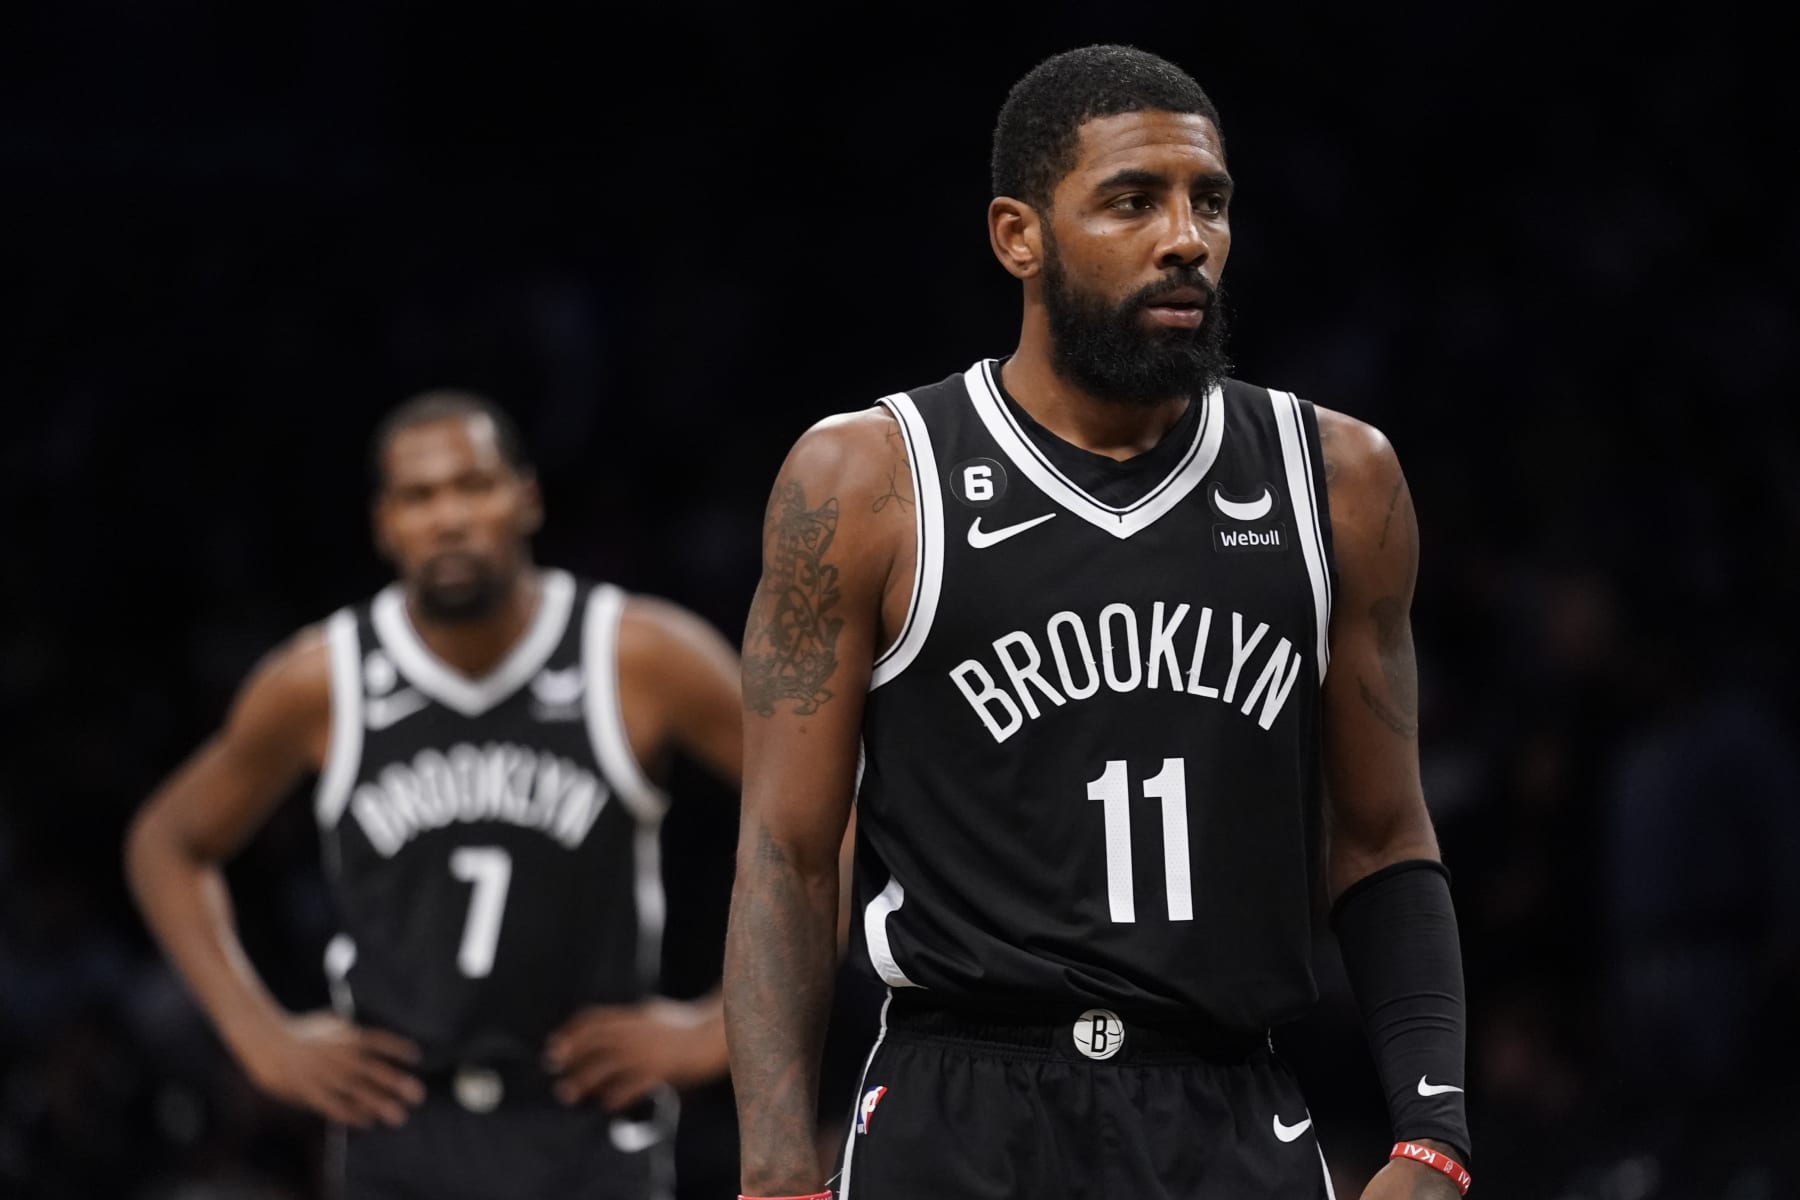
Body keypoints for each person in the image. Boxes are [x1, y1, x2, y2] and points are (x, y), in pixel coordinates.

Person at [723, 44, 1472, 1200]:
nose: (1187, 238)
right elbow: (786, 849)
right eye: (1133, 200)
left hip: (1229, 1104)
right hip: (955, 1102)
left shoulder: (1339, 479)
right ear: (1017, 235)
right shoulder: (866, 478)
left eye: (1209, 201)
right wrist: (775, 1170)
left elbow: (1381, 839)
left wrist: (1433, 1133)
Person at [126, 391, 744, 1200]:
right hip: (398, 1125)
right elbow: (167, 842)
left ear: (526, 497)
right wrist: (261, 1039)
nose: (448, 518)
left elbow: (822, 812)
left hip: (586, 1121)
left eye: (472, 486)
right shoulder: (324, 679)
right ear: (385, 522)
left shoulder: (638, 657)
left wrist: (725, 1027)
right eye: (419, 497)